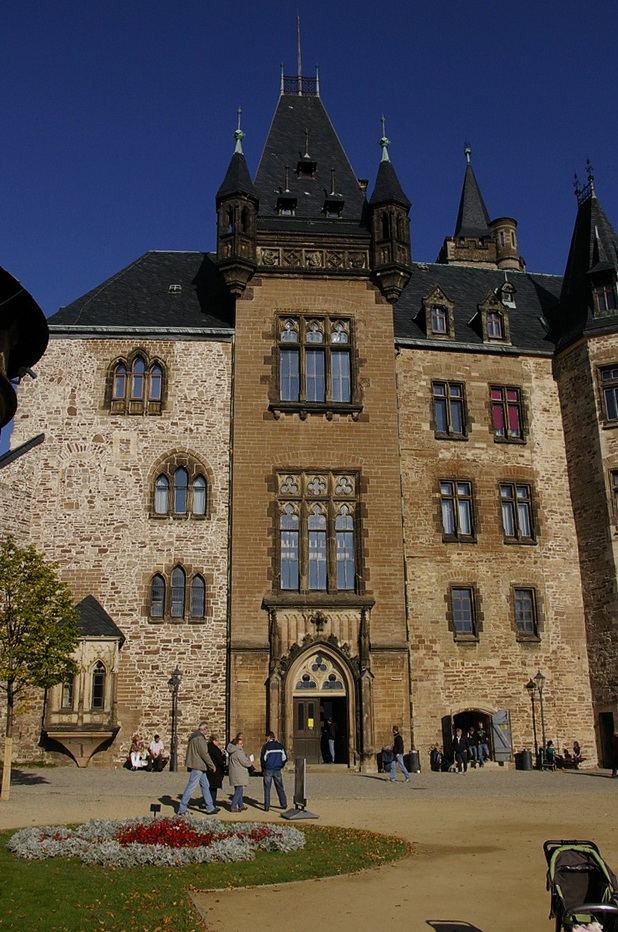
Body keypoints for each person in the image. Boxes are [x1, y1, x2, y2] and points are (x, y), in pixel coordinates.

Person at [177, 721, 219, 815]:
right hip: (198, 765)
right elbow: (204, 753)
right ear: (205, 729)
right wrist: (211, 765)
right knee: (191, 786)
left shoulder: (193, 737)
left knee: (205, 785)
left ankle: (210, 807)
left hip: (198, 765)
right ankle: (182, 808)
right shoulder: (199, 739)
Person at [260, 731, 288, 811]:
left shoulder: (266, 746)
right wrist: (281, 765)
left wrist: (263, 768)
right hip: (277, 769)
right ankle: (283, 803)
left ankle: (267, 805)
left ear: (268, 737)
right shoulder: (280, 745)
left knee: (267, 788)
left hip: (268, 769)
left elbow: (263, 759)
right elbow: (285, 758)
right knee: (280, 787)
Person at [227, 734, 253, 811]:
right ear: (236, 745)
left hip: (234, 773)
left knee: (239, 790)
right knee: (238, 790)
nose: (242, 745)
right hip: (239, 774)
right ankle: (233, 806)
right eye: (240, 744)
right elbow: (245, 762)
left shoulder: (232, 751)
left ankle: (241, 805)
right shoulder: (238, 752)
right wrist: (250, 762)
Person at [206, 734, 226, 805]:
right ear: (213, 741)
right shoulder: (215, 750)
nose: (219, 743)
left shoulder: (207, 748)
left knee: (208, 788)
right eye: (217, 741)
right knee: (213, 788)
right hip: (215, 770)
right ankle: (212, 804)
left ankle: (208, 802)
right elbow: (219, 761)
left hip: (208, 770)